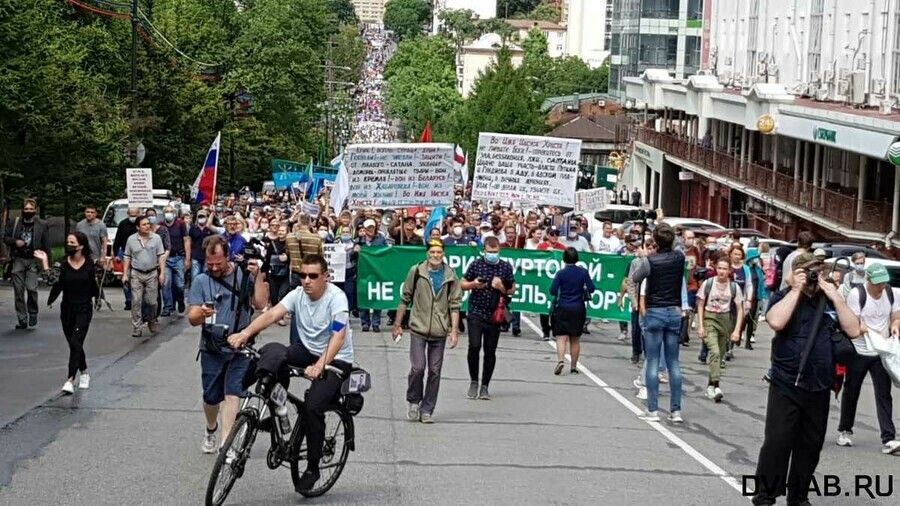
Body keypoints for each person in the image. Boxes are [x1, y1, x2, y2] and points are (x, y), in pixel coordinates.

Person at [227, 254, 352, 493]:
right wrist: (245, 334)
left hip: (335, 357)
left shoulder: (337, 299)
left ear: (325, 276)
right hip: (306, 349)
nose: (306, 280)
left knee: (313, 406)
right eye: (302, 275)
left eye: (313, 276)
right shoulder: (297, 294)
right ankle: (278, 408)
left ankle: (313, 468)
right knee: (273, 354)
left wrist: (321, 365)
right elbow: (272, 314)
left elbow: (338, 335)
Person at [751, 253, 860, 506]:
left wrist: (835, 295)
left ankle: (798, 497)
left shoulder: (829, 300)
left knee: (810, 446)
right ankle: (765, 496)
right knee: (778, 442)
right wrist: (796, 289)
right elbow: (775, 321)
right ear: (798, 272)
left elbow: (853, 329)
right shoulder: (785, 296)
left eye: (817, 271)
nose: (814, 277)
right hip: (786, 383)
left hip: (820, 384)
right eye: (809, 271)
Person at [187, 235, 268, 455]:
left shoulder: (243, 274)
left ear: (228, 257)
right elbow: (192, 318)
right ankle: (211, 429)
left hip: (240, 345)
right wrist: (201, 314)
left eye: (218, 263)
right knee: (211, 397)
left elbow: (261, 303)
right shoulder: (201, 280)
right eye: (209, 263)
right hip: (212, 346)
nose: (213, 267)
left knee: (233, 393)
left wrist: (257, 275)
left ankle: (226, 445)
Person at [392, 240, 462, 423]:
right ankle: (414, 400)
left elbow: (455, 305)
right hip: (418, 328)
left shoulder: (450, 275)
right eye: (432, 252)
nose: (436, 255)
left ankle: (427, 409)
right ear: (427, 254)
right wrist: (397, 324)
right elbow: (404, 298)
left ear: (443, 254)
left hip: (439, 330)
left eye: (439, 252)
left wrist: (453, 331)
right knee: (418, 368)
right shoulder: (417, 271)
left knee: (435, 371)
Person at [837, 263, 900, 454]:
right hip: (860, 349)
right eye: (878, 284)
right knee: (852, 390)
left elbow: (895, 316)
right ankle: (845, 430)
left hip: (880, 351)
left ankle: (888, 438)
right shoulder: (857, 295)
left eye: (883, 283)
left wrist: (895, 326)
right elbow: (856, 324)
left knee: (884, 393)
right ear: (869, 280)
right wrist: (876, 335)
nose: (881, 287)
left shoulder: (890, 293)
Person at [630, 223, 685, 424]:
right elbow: (677, 243)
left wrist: (645, 256)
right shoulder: (679, 257)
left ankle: (653, 410)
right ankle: (676, 410)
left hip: (654, 311)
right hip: (674, 311)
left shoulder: (650, 261)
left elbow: (636, 278)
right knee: (674, 363)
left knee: (652, 360)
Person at [35, 232, 99, 394]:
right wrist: (44, 263)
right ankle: (84, 372)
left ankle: (70, 379)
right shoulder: (62, 264)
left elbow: (95, 284)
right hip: (67, 309)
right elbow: (51, 280)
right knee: (73, 343)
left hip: (84, 308)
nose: (69, 245)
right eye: (68, 242)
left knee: (77, 341)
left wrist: (99, 298)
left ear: (81, 246)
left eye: (72, 242)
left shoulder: (90, 264)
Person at [461, 237, 516, 400]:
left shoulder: (505, 267)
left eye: (495, 252)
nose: (492, 254)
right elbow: (461, 283)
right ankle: (473, 381)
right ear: (484, 251)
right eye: (489, 252)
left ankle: (485, 385)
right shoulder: (476, 264)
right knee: (474, 346)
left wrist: (501, 288)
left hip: (495, 314)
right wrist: (473, 284)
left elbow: (512, 288)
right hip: (476, 312)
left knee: (490, 351)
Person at [697, 257, 744, 403]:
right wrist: (700, 325)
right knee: (715, 352)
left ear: (729, 271)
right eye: (719, 268)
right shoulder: (708, 284)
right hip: (710, 318)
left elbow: (740, 309)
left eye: (725, 269)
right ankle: (716, 386)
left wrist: (737, 330)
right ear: (715, 269)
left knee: (719, 355)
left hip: (725, 321)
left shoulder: (734, 287)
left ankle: (711, 385)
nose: (722, 272)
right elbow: (700, 304)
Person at [4, 198, 52, 329]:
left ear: (35, 210)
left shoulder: (42, 224)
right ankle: (22, 319)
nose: (29, 211)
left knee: (31, 288)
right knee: (18, 291)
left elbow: (47, 244)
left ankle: (33, 312)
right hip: (18, 259)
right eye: (26, 209)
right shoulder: (15, 222)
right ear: (22, 210)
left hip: (33, 259)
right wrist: (15, 242)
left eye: (31, 209)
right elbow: (6, 237)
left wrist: (48, 265)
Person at [550, 248, 596, 375]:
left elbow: (553, 290)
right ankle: (574, 366)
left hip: (563, 307)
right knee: (575, 338)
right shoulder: (583, 272)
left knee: (561, 337)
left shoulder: (560, 273)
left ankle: (560, 360)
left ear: (564, 259)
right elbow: (592, 288)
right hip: (578, 308)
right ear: (577, 258)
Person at [121, 216, 166, 338]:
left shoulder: (156, 238)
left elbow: (161, 256)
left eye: (148, 224)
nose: (147, 226)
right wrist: (125, 274)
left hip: (152, 273)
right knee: (136, 301)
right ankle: (137, 326)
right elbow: (127, 257)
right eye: (144, 224)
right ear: (137, 227)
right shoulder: (131, 240)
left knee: (152, 302)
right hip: (136, 273)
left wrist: (162, 273)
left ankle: (151, 320)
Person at [356, 219, 386, 332]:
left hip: (376, 273)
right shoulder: (359, 241)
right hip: (363, 274)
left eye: (372, 227)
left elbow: (385, 255)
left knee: (376, 297)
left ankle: (376, 323)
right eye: (368, 228)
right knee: (364, 296)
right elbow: (352, 258)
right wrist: (356, 251)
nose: (370, 230)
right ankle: (365, 322)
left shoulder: (380, 240)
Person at [160, 205, 190, 317]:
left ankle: (180, 300)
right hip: (166, 258)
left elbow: (186, 240)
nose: (169, 213)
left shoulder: (180, 224)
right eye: (167, 211)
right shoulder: (161, 226)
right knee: (166, 283)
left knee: (180, 284)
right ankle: (168, 307)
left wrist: (187, 258)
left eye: (171, 211)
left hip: (179, 258)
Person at [537, 226, 567, 340]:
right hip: (544, 281)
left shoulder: (563, 248)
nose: (554, 236)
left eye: (556, 234)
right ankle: (545, 331)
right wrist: (545, 253)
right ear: (548, 235)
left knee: (556, 308)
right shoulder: (541, 246)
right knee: (544, 308)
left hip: (557, 282)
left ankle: (554, 329)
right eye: (552, 234)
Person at [112, 207, 140, 310]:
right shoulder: (123, 224)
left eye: (135, 215)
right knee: (126, 277)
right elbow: (117, 239)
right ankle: (128, 300)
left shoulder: (141, 225)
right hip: (124, 253)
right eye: (131, 215)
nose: (133, 217)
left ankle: (137, 300)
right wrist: (116, 254)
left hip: (139, 254)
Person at [266, 223, 292, 326]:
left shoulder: (290, 244)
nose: (280, 232)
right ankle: (275, 314)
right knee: (273, 296)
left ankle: (280, 316)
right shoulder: (273, 244)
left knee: (283, 294)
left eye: (283, 231)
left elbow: (294, 257)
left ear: (287, 232)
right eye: (279, 230)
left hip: (284, 273)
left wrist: (287, 258)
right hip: (273, 272)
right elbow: (267, 258)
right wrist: (264, 271)